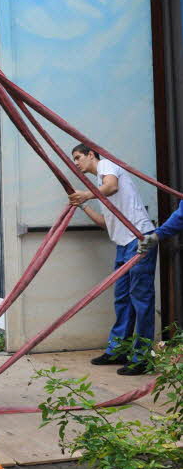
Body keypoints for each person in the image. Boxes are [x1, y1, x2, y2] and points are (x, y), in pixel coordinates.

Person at [69, 143, 157, 375]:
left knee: (141, 300)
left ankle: (142, 358)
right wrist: (83, 205)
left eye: (78, 157)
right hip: (123, 243)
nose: (76, 163)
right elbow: (104, 222)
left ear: (91, 154)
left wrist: (86, 194)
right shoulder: (99, 185)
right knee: (122, 299)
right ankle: (119, 350)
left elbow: (112, 187)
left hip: (139, 238)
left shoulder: (107, 166)